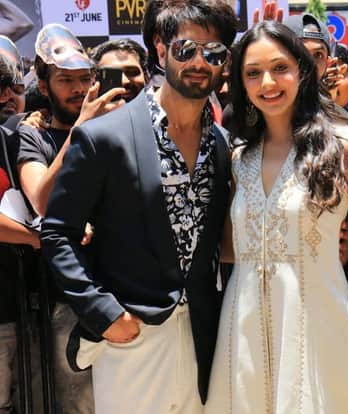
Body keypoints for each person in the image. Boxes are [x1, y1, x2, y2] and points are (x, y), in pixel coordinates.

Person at [40, 1, 237, 413]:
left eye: (214, 52)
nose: (200, 62)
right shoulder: (104, 137)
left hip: (204, 339)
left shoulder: (220, 144)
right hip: (132, 339)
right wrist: (104, 313)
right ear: (160, 49)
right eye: (186, 49)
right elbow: (58, 233)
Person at [205, 20, 348, 413]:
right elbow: (234, 248)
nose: (267, 83)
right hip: (244, 330)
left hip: (323, 327)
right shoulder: (239, 159)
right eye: (253, 72)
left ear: (302, 71)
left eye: (279, 67)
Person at [16, 23, 125, 414]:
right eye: (65, 80)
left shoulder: (115, 128)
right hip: (68, 298)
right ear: (44, 86)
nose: (78, 89)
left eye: (84, 79)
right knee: (77, 405)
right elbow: (42, 200)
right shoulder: (34, 136)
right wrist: (81, 129)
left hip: (124, 292)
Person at [0, 54, 39, 414]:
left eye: (15, 87)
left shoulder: (14, 137)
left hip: (22, 304)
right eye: (3, 88)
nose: (9, 96)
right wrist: (36, 238)